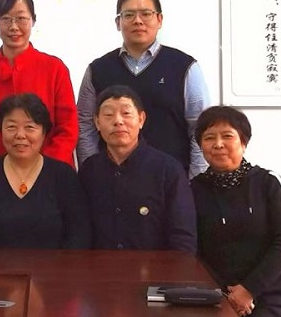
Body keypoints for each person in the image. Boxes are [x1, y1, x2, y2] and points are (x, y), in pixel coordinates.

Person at [191, 106, 281, 317]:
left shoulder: (270, 183)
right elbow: (192, 249)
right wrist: (225, 293)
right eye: (209, 138)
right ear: (200, 145)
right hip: (214, 295)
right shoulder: (192, 190)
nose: (218, 144)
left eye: (227, 136)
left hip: (268, 295)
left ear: (243, 142)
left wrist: (249, 290)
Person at [77, 0, 209, 178]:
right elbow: (85, 126)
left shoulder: (185, 66)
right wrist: (92, 173)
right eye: (129, 15)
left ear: (159, 19)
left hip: (170, 181)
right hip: (111, 180)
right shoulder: (97, 70)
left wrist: (196, 180)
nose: (138, 21)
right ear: (118, 22)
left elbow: (200, 127)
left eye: (146, 14)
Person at [0, 0, 77, 168]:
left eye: (21, 18)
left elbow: (68, 129)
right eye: (6, 19)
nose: (13, 27)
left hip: (49, 175)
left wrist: (45, 170)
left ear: (33, 20)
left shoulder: (55, 69)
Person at [0, 93, 90, 249]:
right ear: (0, 130)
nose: (20, 135)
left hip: (54, 265)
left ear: (44, 132)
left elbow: (79, 234)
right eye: (11, 127)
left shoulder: (63, 176)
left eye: (30, 127)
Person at [79, 85, 196, 252]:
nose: (118, 121)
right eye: (108, 115)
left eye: (126, 113)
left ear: (141, 119)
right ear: (97, 122)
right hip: (101, 267)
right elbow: (80, 230)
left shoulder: (168, 170)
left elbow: (183, 236)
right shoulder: (89, 170)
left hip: (155, 267)